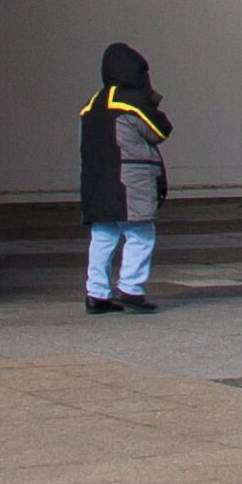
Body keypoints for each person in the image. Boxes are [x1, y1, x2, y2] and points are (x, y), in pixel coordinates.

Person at [77, 42, 169, 316]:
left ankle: (97, 294)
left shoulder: (93, 102)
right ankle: (131, 288)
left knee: (103, 234)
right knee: (140, 232)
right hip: (129, 180)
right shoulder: (130, 102)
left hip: (97, 180)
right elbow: (159, 131)